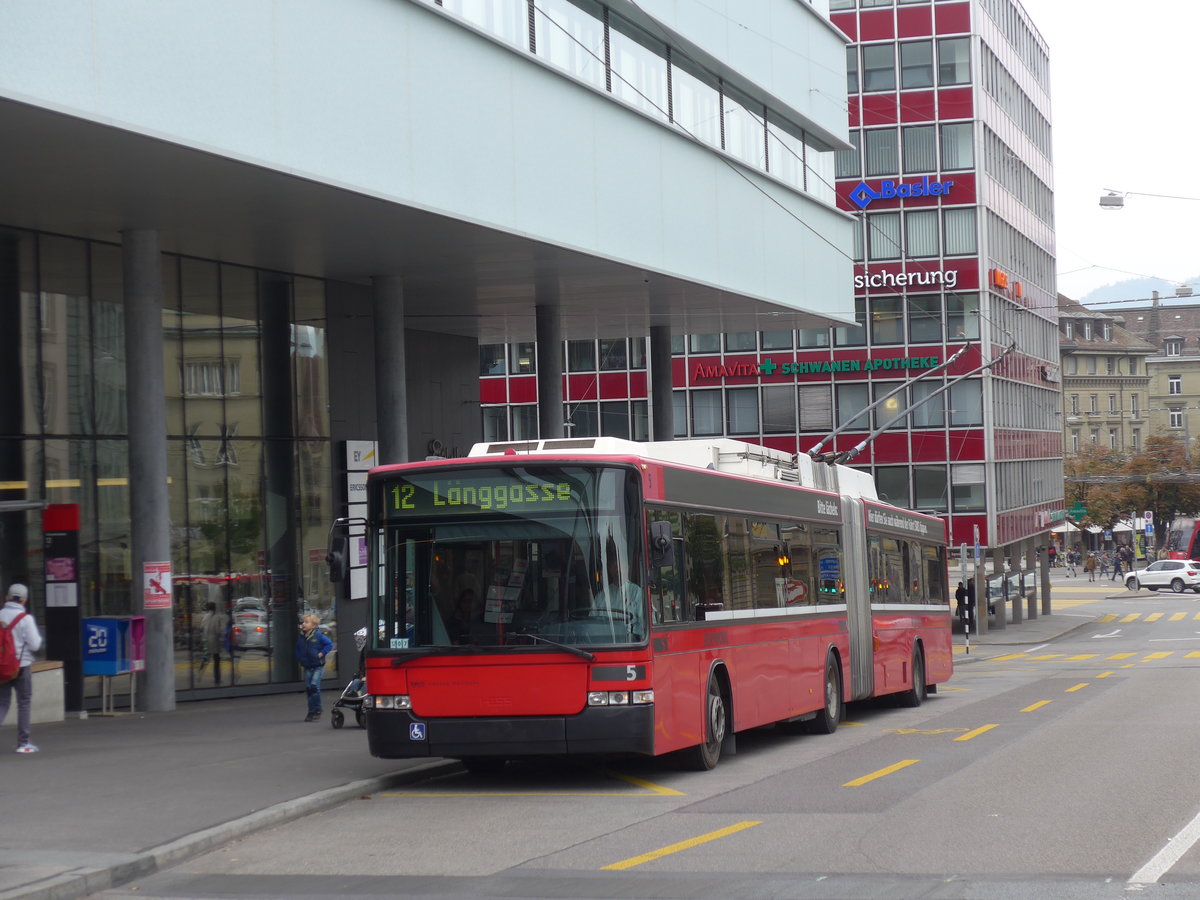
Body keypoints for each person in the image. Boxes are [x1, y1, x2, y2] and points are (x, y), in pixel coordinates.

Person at [0, 584, 44, 754]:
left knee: (2, 703)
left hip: (1, 668)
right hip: (21, 667)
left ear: (7, 597)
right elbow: (35, 645)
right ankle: (23, 743)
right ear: (25, 600)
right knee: (23, 704)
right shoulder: (25, 619)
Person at [296, 613, 333, 722]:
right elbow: (298, 649)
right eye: (303, 622)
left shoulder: (318, 636)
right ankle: (311, 710)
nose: (303, 624)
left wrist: (322, 653)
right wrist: (300, 659)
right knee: (308, 689)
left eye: (306, 622)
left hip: (317, 666)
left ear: (314, 625)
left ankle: (318, 707)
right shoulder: (301, 637)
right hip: (307, 666)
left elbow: (329, 644)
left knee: (313, 687)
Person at [200, 601, 229, 686]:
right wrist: (223, 626)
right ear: (215, 608)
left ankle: (200, 671)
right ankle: (217, 679)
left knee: (206, 657)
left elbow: (201, 627)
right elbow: (218, 630)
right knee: (216, 661)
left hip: (206, 640)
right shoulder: (216, 617)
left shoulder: (205, 616)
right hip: (214, 641)